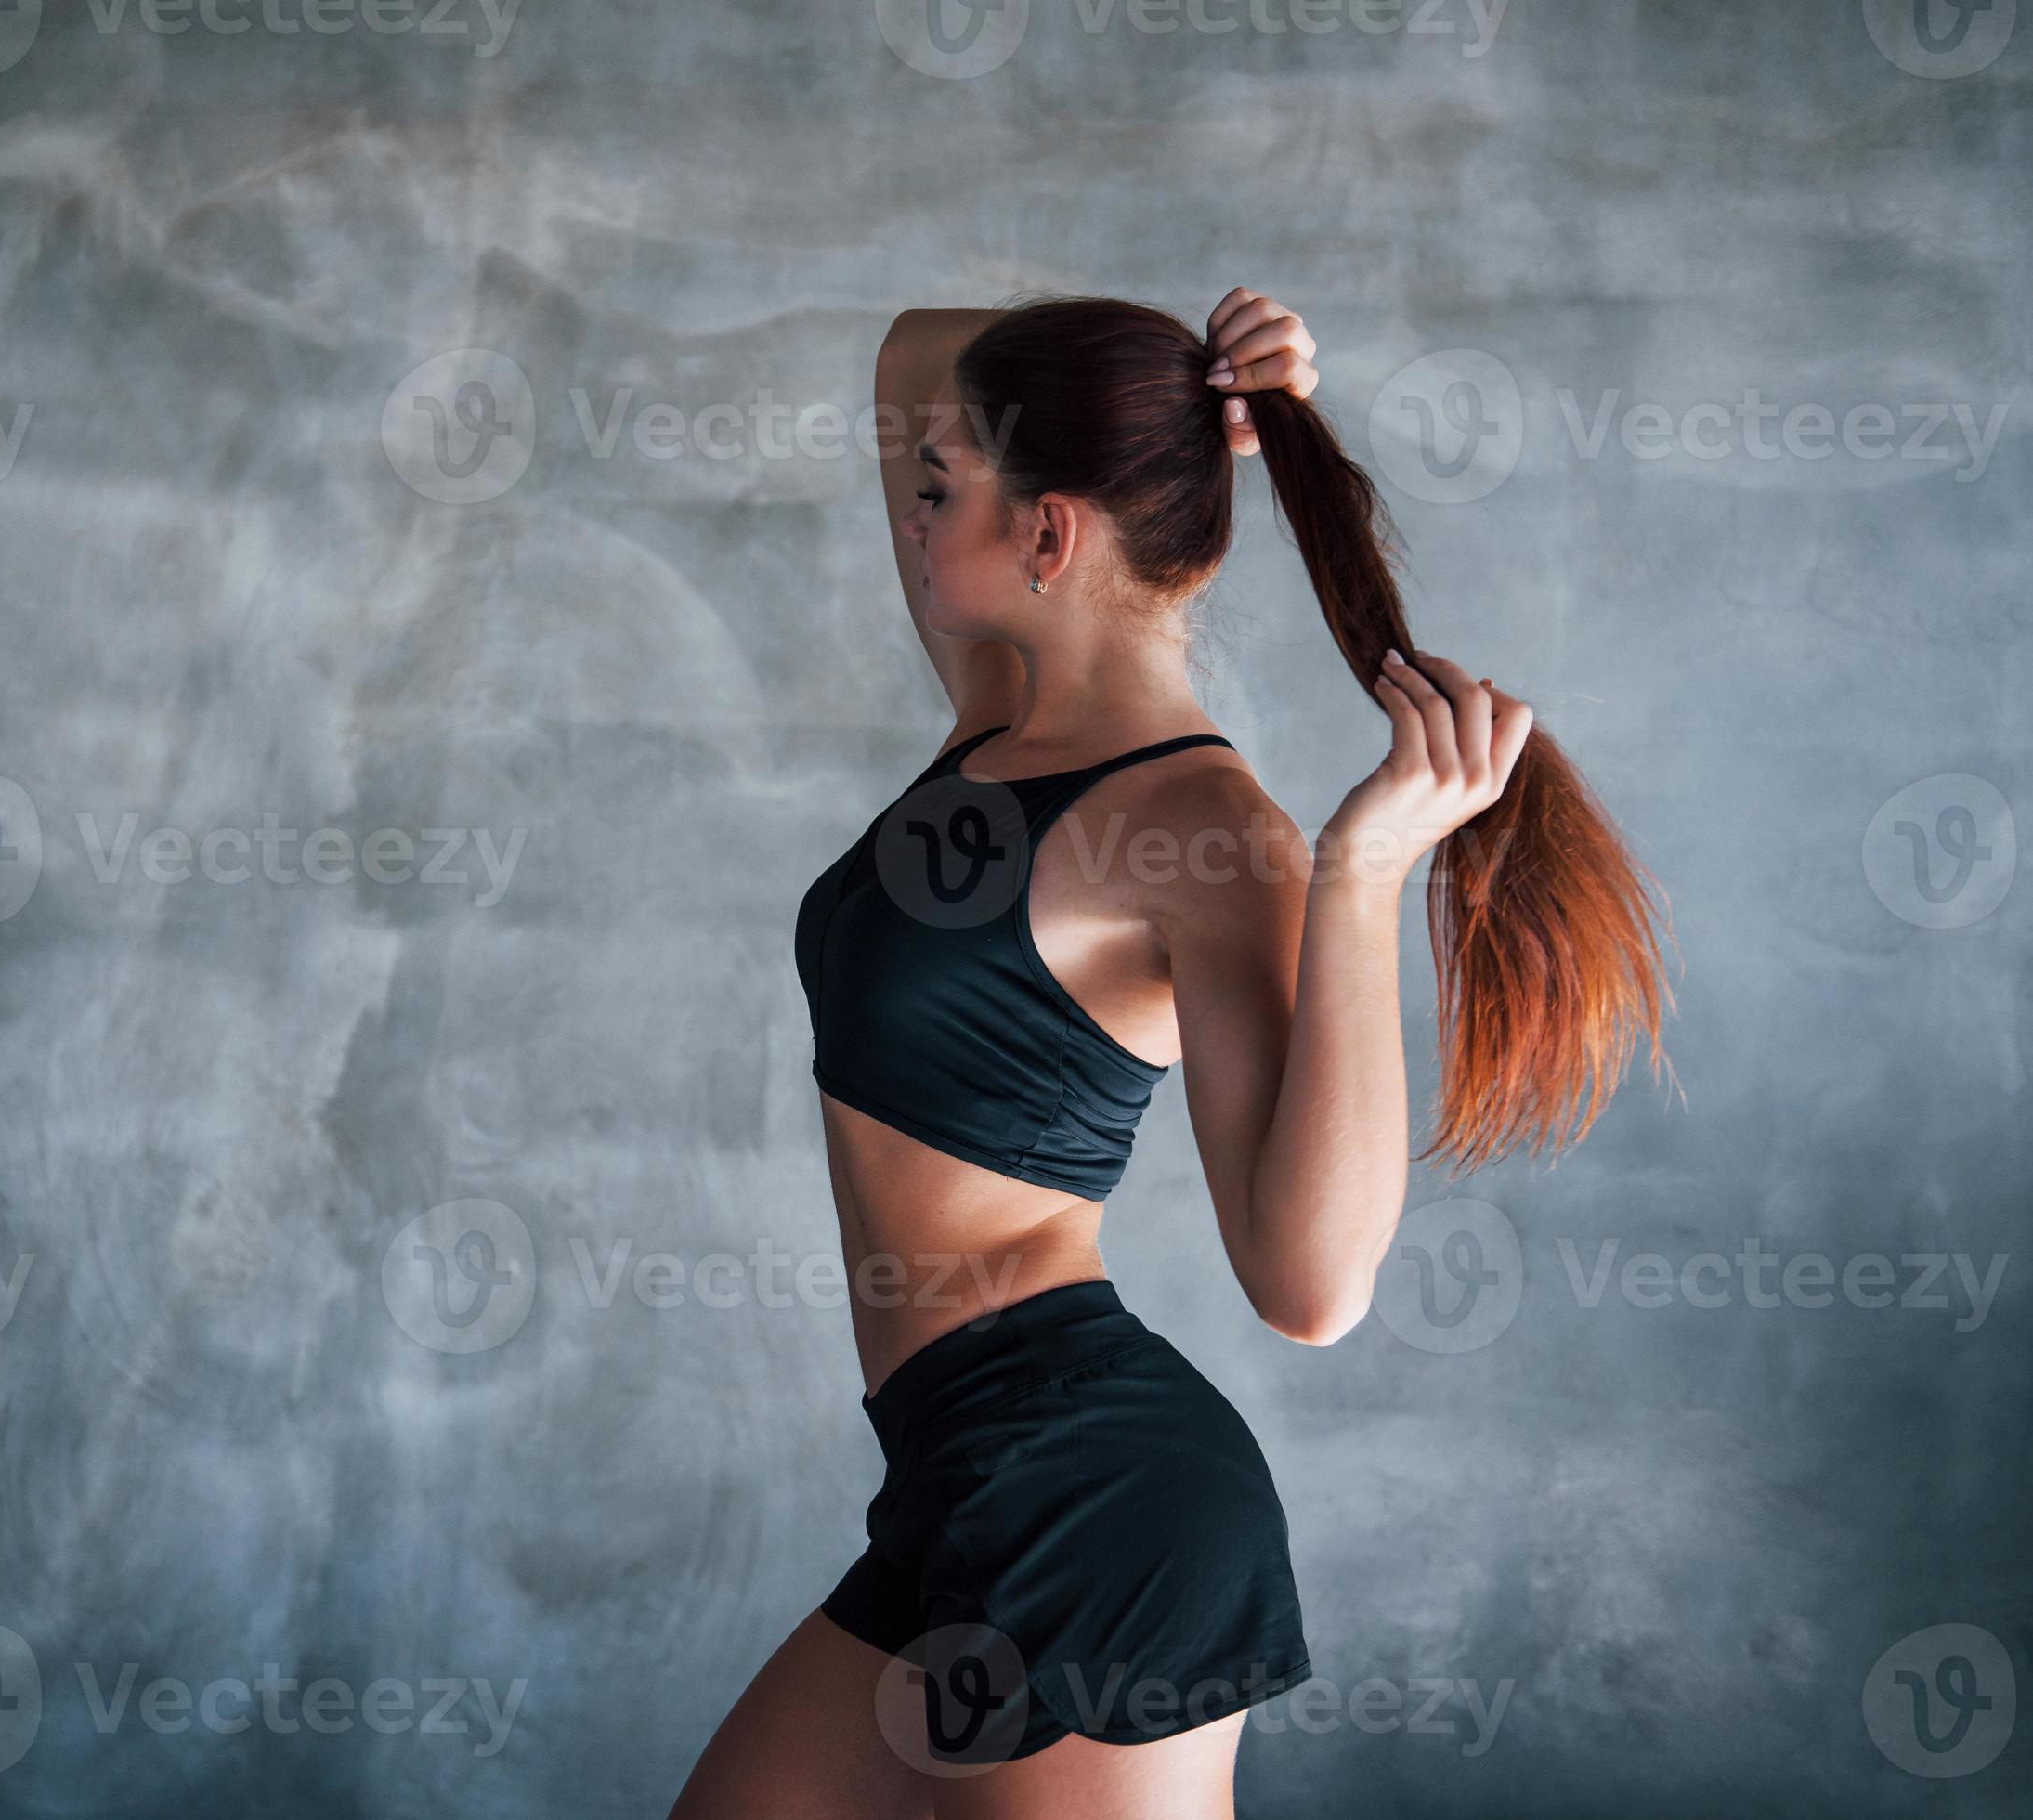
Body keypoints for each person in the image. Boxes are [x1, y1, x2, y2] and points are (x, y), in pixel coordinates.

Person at [668, 291, 1671, 1818]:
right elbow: (916, 353)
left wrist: (1362, 876)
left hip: (1097, 1507)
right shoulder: (998, 719)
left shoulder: (1211, 836)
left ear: (1049, 537)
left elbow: (1311, 1286)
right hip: (951, 1480)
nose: (911, 512)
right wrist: (1212, 383)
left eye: (941, 491)